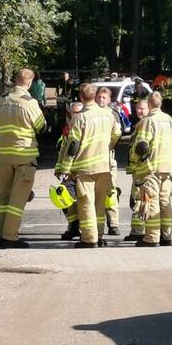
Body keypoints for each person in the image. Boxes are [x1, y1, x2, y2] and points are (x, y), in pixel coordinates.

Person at [55, 83, 120, 248]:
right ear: (95, 95)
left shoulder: (79, 118)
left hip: (85, 168)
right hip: (105, 166)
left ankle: (89, 239)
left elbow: (73, 146)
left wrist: (64, 168)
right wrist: (107, 148)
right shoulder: (108, 114)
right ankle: (99, 236)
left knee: (86, 202)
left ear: (81, 97)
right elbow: (117, 134)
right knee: (100, 202)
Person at [0, 68, 46, 248]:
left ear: (15, 80)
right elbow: (41, 126)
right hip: (24, 155)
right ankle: (10, 236)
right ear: (29, 83)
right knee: (17, 199)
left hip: (5, 154)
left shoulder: (3, 99)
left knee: (3, 197)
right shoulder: (29, 102)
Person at [128, 91, 172, 246]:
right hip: (167, 167)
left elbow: (141, 146)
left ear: (150, 104)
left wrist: (134, 160)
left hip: (151, 168)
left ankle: (151, 238)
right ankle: (166, 236)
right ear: (161, 104)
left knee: (151, 202)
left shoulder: (147, 122)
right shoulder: (170, 120)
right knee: (165, 202)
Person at [95, 87, 123, 235]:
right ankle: (96, 226)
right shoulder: (91, 114)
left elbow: (116, 136)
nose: (101, 100)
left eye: (104, 97)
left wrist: (108, 147)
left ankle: (113, 223)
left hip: (108, 159)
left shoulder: (113, 115)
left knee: (111, 193)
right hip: (94, 161)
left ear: (109, 100)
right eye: (99, 97)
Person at [123, 97, 150, 241]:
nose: (139, 111)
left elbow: (140, 148)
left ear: (149, 109)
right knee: (136, 200)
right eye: (137, 108)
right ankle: (138, 231)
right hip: (138, 170)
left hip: (142, 169)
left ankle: (138, 232)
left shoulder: (146, 125)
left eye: (142, 108)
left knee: (139, 200)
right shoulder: (140, 124)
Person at [57, 101, 84, 240]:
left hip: (82, 170)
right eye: (74, 113)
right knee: (64, 198)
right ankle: (73, 226)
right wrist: (59, 169)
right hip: (69, 171)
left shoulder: (85, 127)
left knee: (84, 201)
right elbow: (63, 150)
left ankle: (83, 229)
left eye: (79, 113)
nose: (76, 115)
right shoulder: (67, 130)